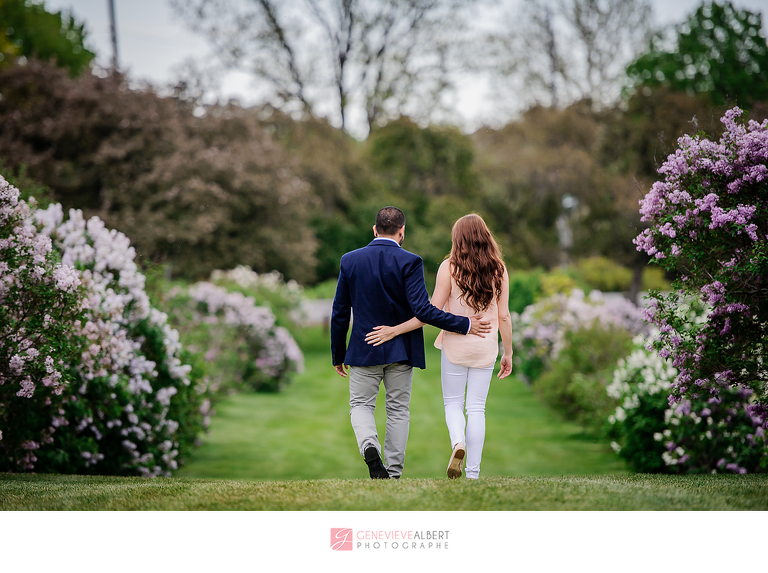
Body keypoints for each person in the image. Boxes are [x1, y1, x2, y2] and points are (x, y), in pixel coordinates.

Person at [331, 207, 492, 480]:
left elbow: (339, 311)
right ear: (402, 231)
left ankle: (369, 445)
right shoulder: (411, 261)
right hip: (401, 350)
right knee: (398, 410)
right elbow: (424, 311)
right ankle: (393, 474)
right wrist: (465, 324)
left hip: (363, 348)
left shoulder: (350, 260)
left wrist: (338, 353)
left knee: (360, 406)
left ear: (374, 229)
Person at [365, 214, 513, 480]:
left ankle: (458, 443)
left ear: (458, 239)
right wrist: (508, 352)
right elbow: (504, 316)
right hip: (486, 347)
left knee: (453, 404)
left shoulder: (449, 267)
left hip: (455, 346)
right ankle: (473, 474)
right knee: (477, 408)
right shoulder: (499, 269)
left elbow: (429, 312)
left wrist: (396, 330)